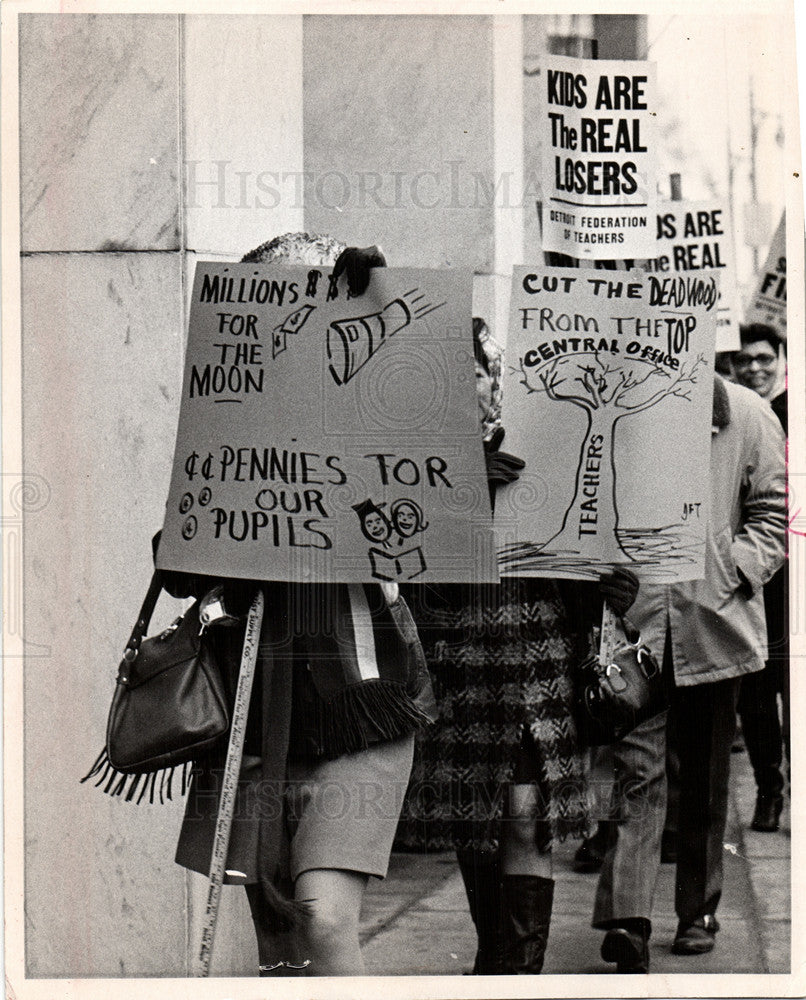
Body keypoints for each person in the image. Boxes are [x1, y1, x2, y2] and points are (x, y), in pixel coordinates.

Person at [160, 233, 437, 977]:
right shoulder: (225, 428)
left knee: (322, 918)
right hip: (253, 713)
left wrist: (370, 282)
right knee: (278, 940)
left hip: (360, 699)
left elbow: (424, 519)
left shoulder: (379, 416)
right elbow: (178, 562)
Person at [398, 318, 639, 975]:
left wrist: (616, 588)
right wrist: (458, 484)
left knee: (526, 819)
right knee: (478, 825)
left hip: (538, 664)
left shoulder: (542, 444)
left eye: (475, 372)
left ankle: (516, 972)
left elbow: (586, 541)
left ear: (495, 380)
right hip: (459, 670)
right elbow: (399, 559)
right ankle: (494, 958)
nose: (466, 386)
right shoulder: (411, 461)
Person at [591, 373, 786, 971]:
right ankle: (629, 916)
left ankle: (697, 910)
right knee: (636, 769)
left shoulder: (749, 415)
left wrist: (732, 570)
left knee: (703, 777)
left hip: (712, 623)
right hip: (637, 625)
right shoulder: (619, 403)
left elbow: (776, 513)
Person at [733, 322, 789, 830]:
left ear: (781, 359)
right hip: (751, 578)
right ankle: (769, 788)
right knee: (755, 691)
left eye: (764, 358)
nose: (755, 368)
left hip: (795, 578)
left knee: (795, 688)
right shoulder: (734, 417)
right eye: (745, 359)